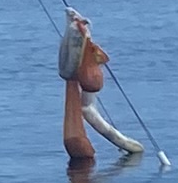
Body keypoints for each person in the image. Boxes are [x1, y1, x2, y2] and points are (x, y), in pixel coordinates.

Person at [60, 10, 145, 167]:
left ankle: (127, 145)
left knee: (87, 109)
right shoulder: (80, 41)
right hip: (89, 83)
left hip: (89, 83)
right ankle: (126, 145)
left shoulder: (80, 42)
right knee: (87, 109)